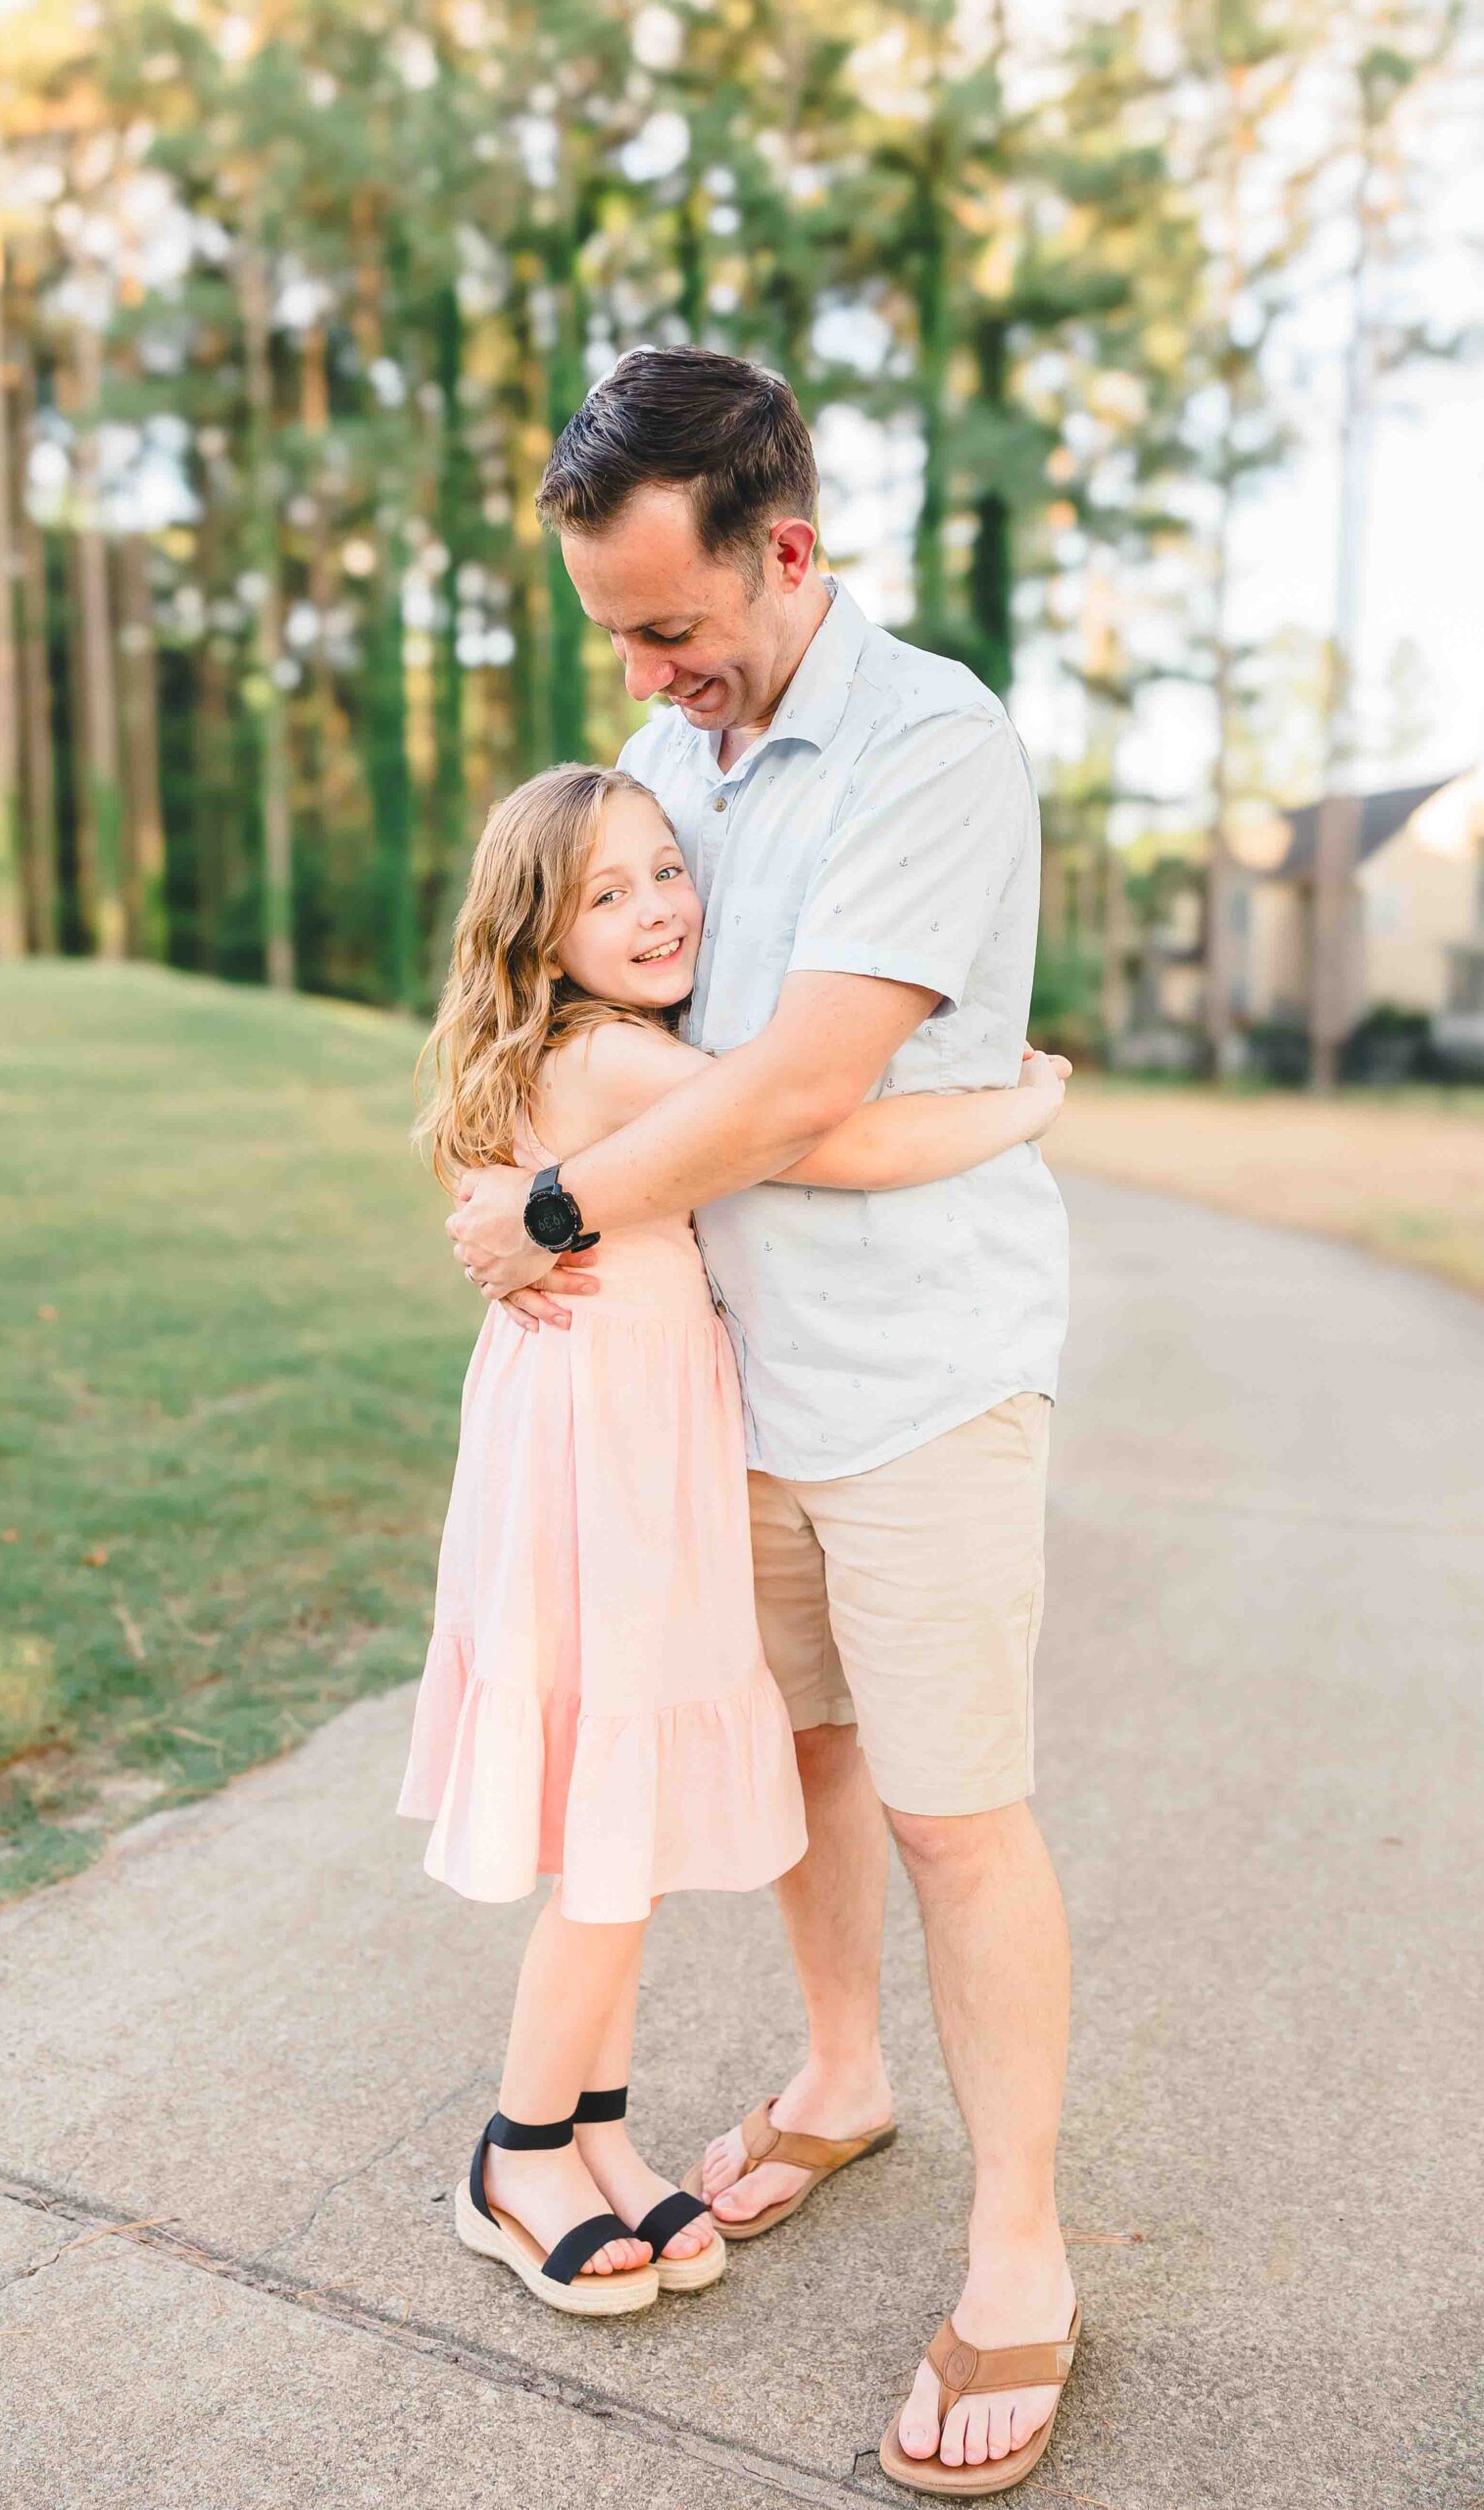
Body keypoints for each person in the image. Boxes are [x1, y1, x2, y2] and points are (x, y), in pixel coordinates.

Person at [447, 345, 1077, 2493]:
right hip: (724, 1394)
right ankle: (834, 2074)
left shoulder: (930, 738)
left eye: (667, 625)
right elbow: (582, 1007)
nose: (642, 671)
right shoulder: (663, 755)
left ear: (782, 549)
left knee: (947, 1810)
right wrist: (528, 1188)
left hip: (914, 1387)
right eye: (618, 632)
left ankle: (1018, 2256)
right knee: (801, 1761)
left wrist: (538, 1204)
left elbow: (804, 1094)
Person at [401, 757, 1069, 2332]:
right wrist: (1030, 1102)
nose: (655, 908)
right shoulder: (626, 1066)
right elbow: (834, 1139)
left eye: (663, 869)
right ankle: (515, 2152)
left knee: (611, 1810)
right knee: (610, 1838)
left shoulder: (566, 1054)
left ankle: (598, 2132)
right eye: (606, 894)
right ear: (539, 936)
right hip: (610, 1472)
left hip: (591, 1449)